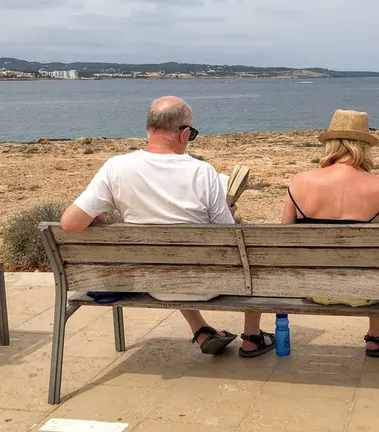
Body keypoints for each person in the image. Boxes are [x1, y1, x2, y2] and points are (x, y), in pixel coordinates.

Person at [60, 96, 275, 357]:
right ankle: (252, 337)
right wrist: (228, 212)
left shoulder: (115, 168)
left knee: (169, 250)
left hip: (152, 283)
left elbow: (70, 223)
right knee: (252, 252)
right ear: (184, 134)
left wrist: (98, 217)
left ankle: (201, 329)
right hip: (209, 284)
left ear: (149, 129)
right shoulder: (203, 173)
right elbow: (228, 236)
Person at [280, 109, 379, 357]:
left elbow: (283, 241)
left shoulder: (300, 182)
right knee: (377, 261)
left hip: (313, 289)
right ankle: (376, 336)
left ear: (330, 144)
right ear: (365, 146)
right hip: (366, 294)